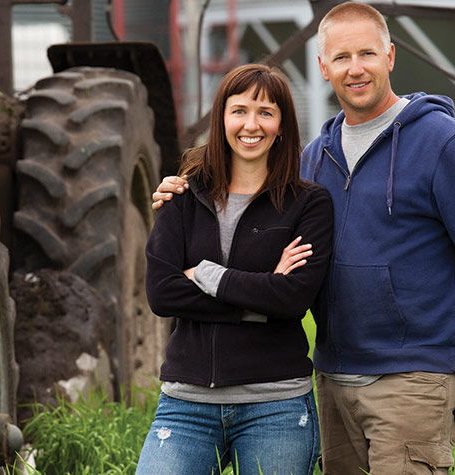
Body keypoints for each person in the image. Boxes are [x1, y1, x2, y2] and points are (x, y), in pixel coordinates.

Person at [152, 3, 455, 474]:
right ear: (322, 67)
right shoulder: (315, 158)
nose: (355, 69)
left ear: (391, 57)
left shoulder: (444, 144)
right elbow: (244, 203)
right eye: (341, 58)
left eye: (367, 54)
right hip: (333, 380)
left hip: (412, 378)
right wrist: (185, 184)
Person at [135, 63, 334, 475]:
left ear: (282, 125)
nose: (251, 124)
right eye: (239, 110)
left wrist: (206, 275)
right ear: (221, 118)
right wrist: (263, 295)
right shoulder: (183, 196)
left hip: (275, 404)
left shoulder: (309, 203)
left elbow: (294, 298)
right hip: (187, 404)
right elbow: (162, 293)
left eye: (266, 112)